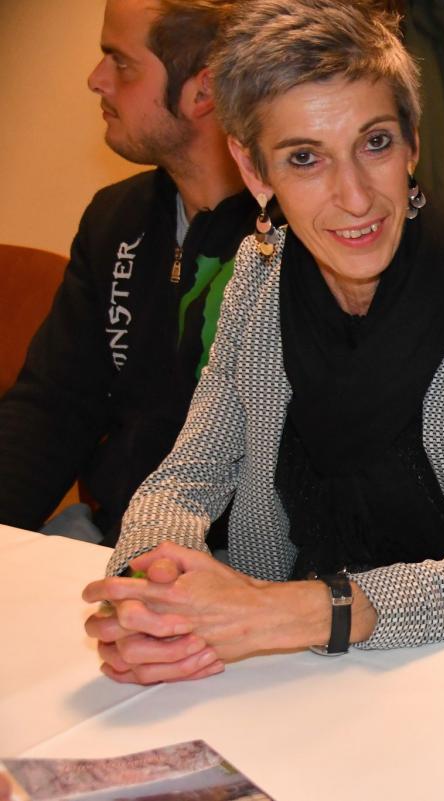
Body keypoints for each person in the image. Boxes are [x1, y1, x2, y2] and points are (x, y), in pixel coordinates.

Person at [81, 0, 444, 685]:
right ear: (255, 171)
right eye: (305, 158)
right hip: (291, 670)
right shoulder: (256, 280)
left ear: (413, 143)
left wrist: (305, 610)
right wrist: (150, 591)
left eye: (376, 143)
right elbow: (186, 479)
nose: (355, 197)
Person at [0, 0, 254, 546]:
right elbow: (52, 408)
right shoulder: (115, 218)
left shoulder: (296, 236)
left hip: (231, 561)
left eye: (121, 62)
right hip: (106, 538)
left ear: (204, 90)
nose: (96, 79)